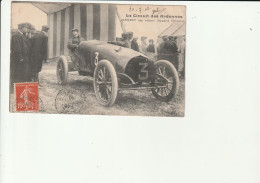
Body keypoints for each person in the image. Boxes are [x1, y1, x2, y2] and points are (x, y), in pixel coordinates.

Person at [10, 23, 31, 87]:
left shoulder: (22, 35)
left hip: (23, 58)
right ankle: (14, 86)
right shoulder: (16, 36)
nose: (27, 29)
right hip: (18, 58)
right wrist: (20, 57)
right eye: (25, 28)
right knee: (17, 72)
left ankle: (19, 86)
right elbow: (17, 48)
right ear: (21, 28)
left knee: (22, 72)